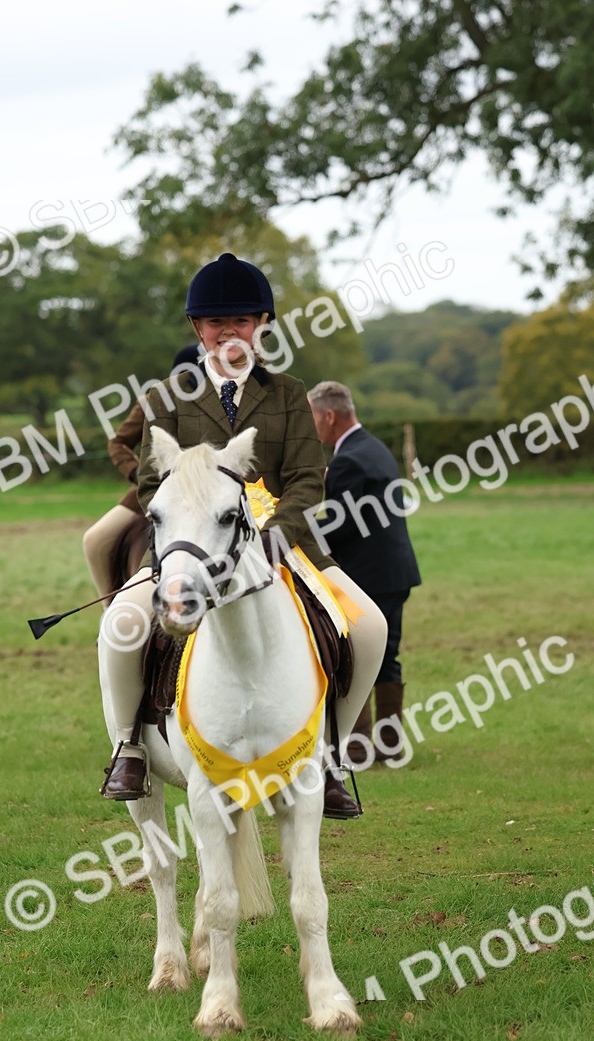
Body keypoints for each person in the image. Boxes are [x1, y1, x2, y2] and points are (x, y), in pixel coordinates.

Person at [96, 252, 388, 819]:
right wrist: (193, 519)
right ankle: (128, 746)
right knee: (122, 624)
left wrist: (273, 536)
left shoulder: (286, 395)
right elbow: (153, 483)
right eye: (214, 322)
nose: (227, 330)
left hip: (285, 546)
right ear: (197, 329)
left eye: (241, 320)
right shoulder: (167, 397)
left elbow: (307, 479)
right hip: (191, 546)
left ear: (261, 326)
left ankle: (329, 756)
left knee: (370, 626)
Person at [307, 380, 421, 765]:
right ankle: (388, 747)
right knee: (387, 656)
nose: (312, 429)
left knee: (358, 655)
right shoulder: (373, 447)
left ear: (329, 415)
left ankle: (356, 747)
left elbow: (341, 524)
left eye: (313, 420)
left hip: (370, 575)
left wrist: (291, 531)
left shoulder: (347, 460)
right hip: (395, 571)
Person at [82, 345, 200, 601]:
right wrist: (136, 472)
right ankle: (110, 609)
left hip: (205, 493)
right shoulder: (152, 401)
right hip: (153, 490)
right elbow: (118, 443)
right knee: (95, 540)